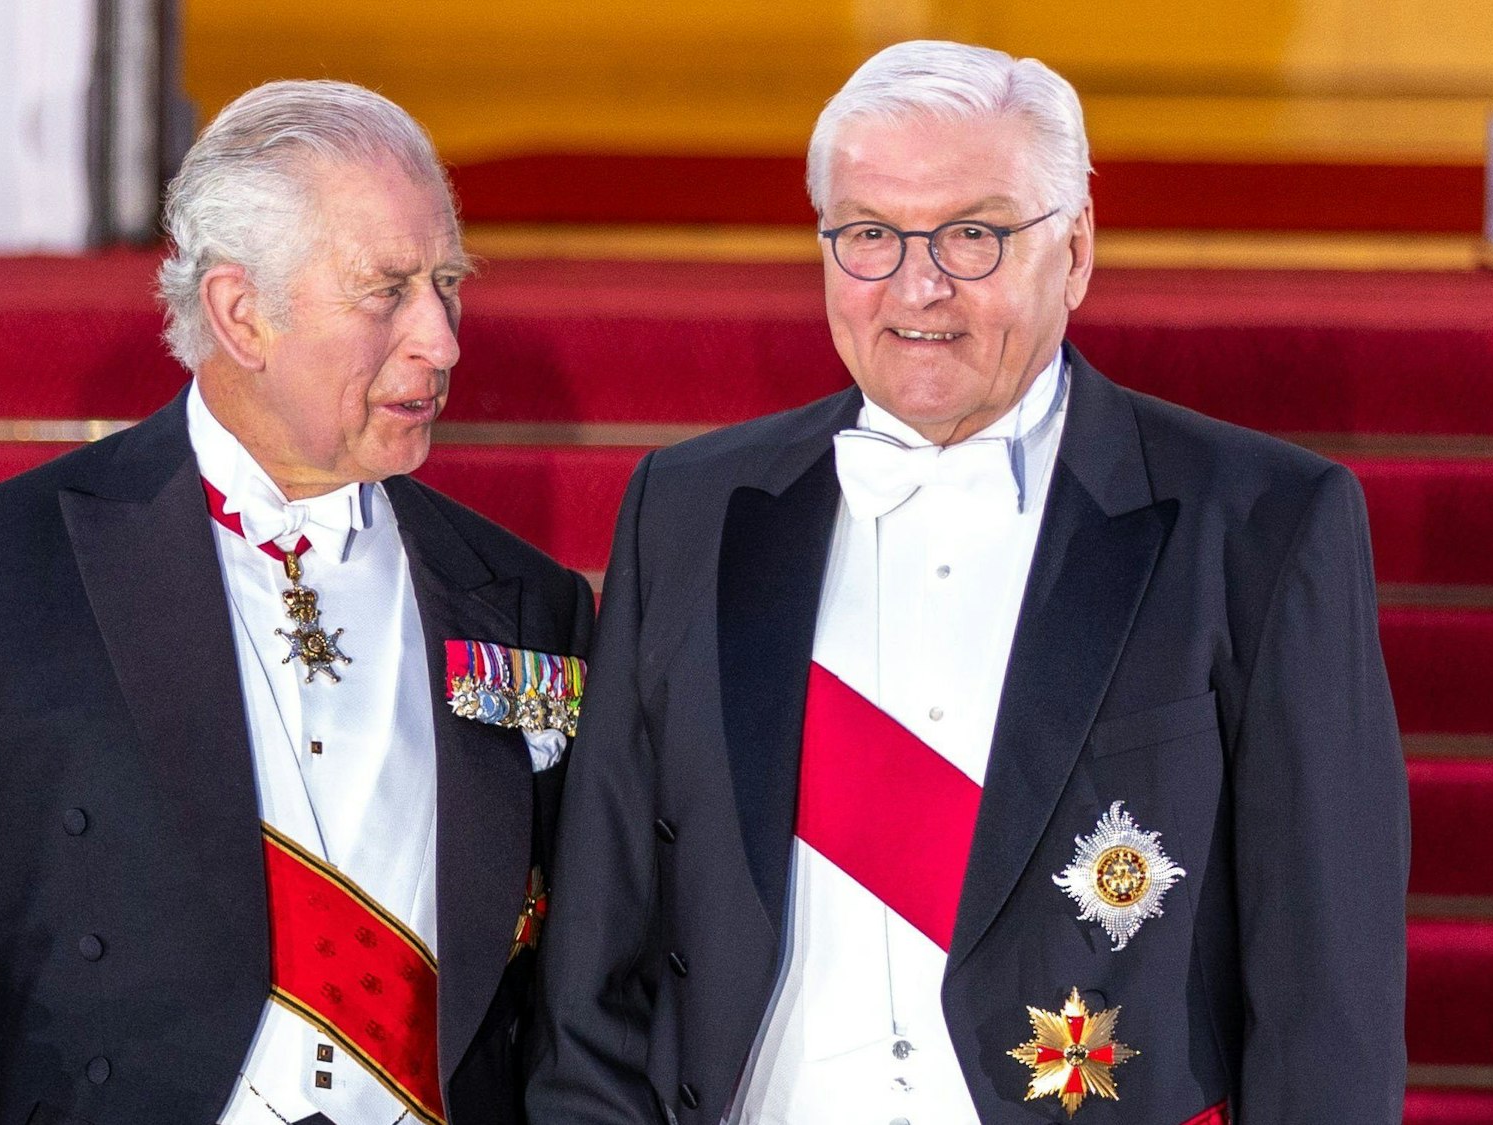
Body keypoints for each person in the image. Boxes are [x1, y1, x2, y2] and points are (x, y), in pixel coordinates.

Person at [528, 40, 1407, 1125]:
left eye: (973, 235)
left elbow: (1327, 1005)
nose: (917, 287)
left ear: (1074, 251)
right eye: (869, 235)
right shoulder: (689, 510)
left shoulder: (1261, 525)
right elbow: (595, 960)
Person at [0, 80, 593, 1125]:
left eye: (446, 282)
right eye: (387, 290)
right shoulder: (9, 565)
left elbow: (579, 987)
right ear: (241, 313)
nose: (442, 338)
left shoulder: (526, 601)